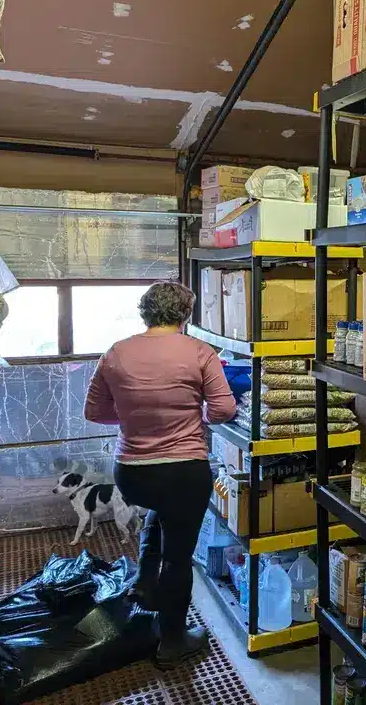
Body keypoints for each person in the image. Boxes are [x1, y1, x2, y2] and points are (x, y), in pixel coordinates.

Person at [84, 281, 236, 668]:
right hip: (183, 473)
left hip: (132, 474)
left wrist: (138, 417)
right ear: (185, 315)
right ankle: (173, 641)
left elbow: (95, 412)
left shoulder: (116, 353)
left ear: (144, 313)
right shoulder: (201, 352)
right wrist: (191, 415)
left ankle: (144, 586)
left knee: (158, 512)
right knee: (179, 558)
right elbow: (222, 410)